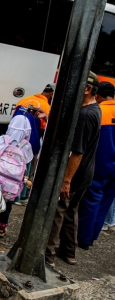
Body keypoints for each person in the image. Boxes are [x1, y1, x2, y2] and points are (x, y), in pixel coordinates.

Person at [45, 72, 101, 266]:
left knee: (58, 210)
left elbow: (77, 152)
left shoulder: (85, 115)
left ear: (87, 89)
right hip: (85, 173)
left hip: (76, 173)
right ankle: (69, 252)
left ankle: (48, 255)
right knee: (71, 212)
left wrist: (66, 180)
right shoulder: (95, 109)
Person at [0, 115, 34, 245]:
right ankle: (2, 226)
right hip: (13, 184)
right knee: (8, 204)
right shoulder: (26, 145)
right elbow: (27, 164)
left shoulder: (3, 139)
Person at [77, 81, 115, 248]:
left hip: (100, 164)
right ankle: (93, 237)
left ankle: (84, 239)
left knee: (91, 201)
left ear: (97, 95)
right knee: (105, 202)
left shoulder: (100, 111)